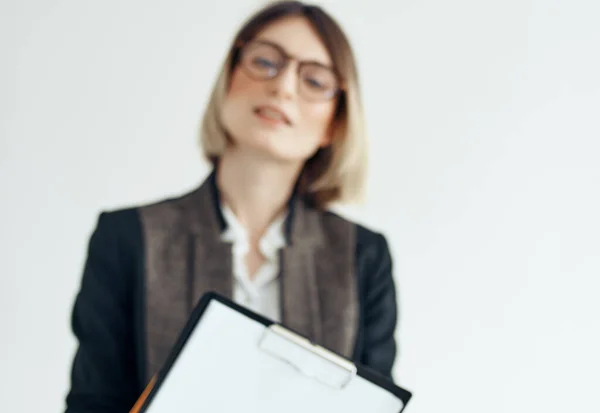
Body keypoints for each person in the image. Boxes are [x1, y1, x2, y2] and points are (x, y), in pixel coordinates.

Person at [64, 1, 399, 411]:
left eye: (314, 80)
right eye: (265, 61)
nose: (284, 88)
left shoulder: (363, 256)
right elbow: (92, 403)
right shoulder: (128, 237)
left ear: (335, 123)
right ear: (228, 79)